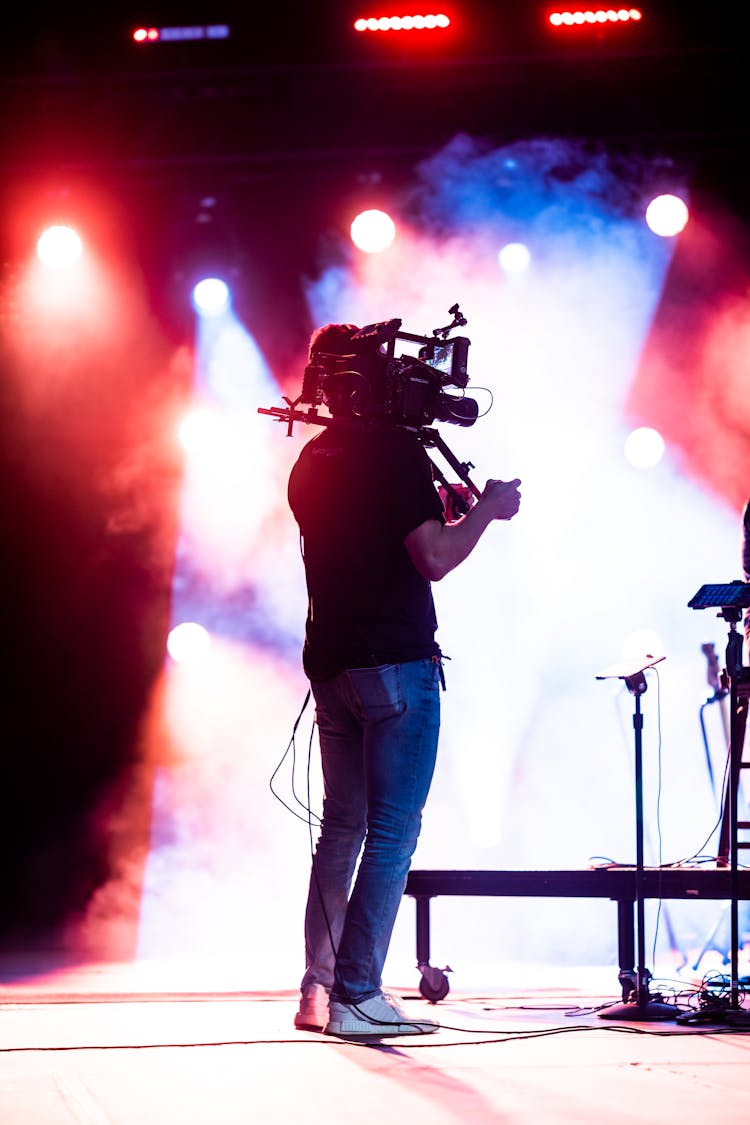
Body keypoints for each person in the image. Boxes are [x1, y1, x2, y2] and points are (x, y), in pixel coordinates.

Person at [287, 322, 521, 1038]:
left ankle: (317, 991)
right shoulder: (394, 453)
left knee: (341, 829)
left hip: (332, 667)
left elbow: (372, 539)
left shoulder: (310, 460)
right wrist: (487, 510)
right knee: (391, 832)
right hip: (396, 666)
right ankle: (359, 993)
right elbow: (435, 558)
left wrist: (435, 510)